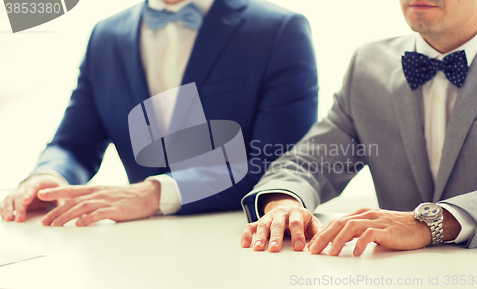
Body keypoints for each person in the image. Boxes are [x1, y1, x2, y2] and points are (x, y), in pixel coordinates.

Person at [0, 0, 318, 226]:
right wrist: (48, 179)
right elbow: (74, 145)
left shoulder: (278, 30)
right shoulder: (106, 35)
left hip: (239, 237)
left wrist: (156, 193)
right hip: (136, 245)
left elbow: (281, 164)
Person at [241, 0, 477, 256]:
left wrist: (431, 224)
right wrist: (285, 202)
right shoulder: (369, 65)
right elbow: (311, 162)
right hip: (396, 273)